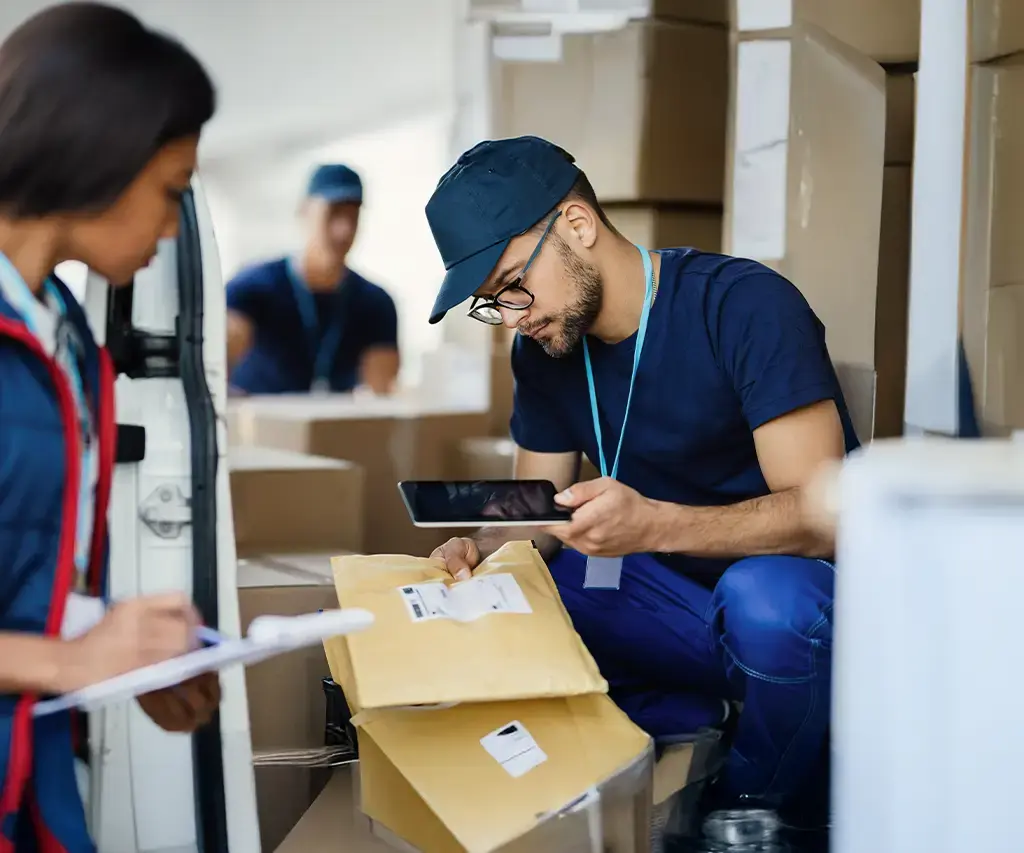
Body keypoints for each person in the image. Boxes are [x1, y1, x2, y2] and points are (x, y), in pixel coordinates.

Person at [425, 137, 856, 839]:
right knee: (522, 590)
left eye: (511, 284)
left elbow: (824, 515)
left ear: (577, 224)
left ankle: (746, 811)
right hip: (667, 600)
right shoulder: (546, 346)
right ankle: (688, 722)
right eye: (490, 303)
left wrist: (654, 524)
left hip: (786, 602)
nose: (512, 315)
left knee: (771, 604)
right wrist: (479, 547)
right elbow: (534, 510)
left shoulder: (743, 304)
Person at [0, 3, 220, 849]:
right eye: (169, 192)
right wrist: (66, 659)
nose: (169, 226)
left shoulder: (65, 340)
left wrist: (122, 649)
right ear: (101, 154)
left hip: (34, 781)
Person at [225, 164, 400, 395]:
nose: (344, 230)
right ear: (304, 212)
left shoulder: (376, 303)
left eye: (353, 217)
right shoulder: (252, 287)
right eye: (333, 213)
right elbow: (216, 360)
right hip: (261, 415)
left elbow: (382, 392)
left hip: (336, 417)